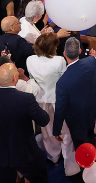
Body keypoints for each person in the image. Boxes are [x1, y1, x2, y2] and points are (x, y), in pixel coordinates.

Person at [0, 63, 51, 183]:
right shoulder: (26, 99)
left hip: (0, 152)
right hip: (25, 152)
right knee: (40, 178)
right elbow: (44, 120)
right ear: (14, 79)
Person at [27, 31, 68, 163]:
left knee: (47, 130)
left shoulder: (30, 59)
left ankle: (53, 156)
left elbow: (32, 79)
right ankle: (66, 155)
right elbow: (64, 80)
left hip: (40, 99)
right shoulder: (59, 60)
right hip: (57, 100)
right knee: (63, 128)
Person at [53, 35, 96, 147]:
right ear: (80, 51)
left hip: (78, 119)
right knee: (90, 134)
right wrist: (94, 56)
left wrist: (56, 130)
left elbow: (60, 109)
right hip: (93, 108)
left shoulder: (62, 83)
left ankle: (85, 163)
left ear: (64, 53)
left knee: (81, 145)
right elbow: (94, 60)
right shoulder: (91, 62)